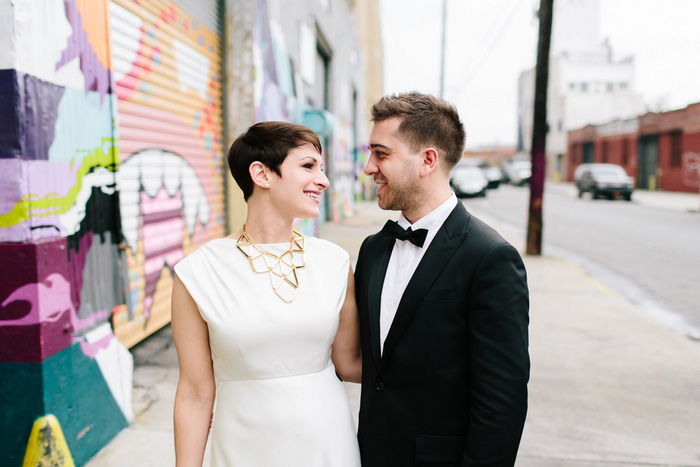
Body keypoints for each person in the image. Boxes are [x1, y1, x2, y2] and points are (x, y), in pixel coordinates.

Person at [171, 121, 362, 466]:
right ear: (261, 174)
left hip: (328, 445)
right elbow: (195, 393)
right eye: (308, 166)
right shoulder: (198, 272)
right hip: (243, 448)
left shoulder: (334, 262)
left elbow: (349, 363)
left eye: (322, 168)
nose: (324, 180)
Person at [354, 92, 530, 466]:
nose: (369, 168)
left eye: (381, 154)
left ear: (427, 160)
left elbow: (501, 402)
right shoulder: (372, 250)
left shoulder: (489, 258)